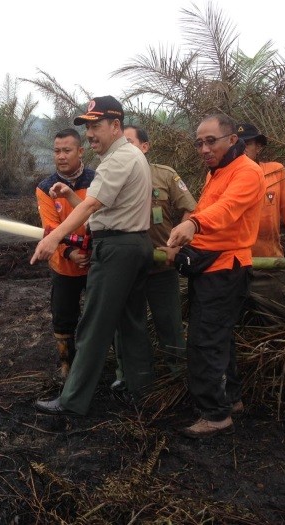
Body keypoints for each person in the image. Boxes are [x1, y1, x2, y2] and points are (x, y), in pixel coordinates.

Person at [30, 95, 153, 417]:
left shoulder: (117, 159)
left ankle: (72, 401)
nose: (91, 134)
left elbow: (91, 206)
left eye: (96, 126)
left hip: (117, 249)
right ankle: (139, 389)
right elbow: (101, 203)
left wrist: (54, 237)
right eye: (87, 127)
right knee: (130, 322)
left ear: (116, 125)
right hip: (135, 245)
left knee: (93, 326)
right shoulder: (128, 156)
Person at [166, 114, 265, 438]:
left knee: (204, 340)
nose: (204, 148)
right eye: (199, 143)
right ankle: (231, 399)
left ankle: (215, 414)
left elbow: (225, 210)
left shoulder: (247, 172)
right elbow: (204, 208)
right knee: (220, 336)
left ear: (232, 140)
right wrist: (180, 239)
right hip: (209, 265)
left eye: (211, 141)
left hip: (227, 268)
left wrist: (192, 225)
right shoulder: (218, 172)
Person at [112, 126, 197, 397]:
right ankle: (130, 378)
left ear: (145, 147)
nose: (123, 149)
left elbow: (192, 210)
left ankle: (178, 377)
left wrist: (175, 242)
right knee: (126, 328)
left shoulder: (165, 175)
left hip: (161, 267)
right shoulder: (111, 174)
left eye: (129, 142)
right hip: (126, 269)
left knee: (169, 323)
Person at [237, 122, 285, 322]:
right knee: (236, 324)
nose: (242, 149)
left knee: (280, 320)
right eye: (237, 144)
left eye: (247, 143)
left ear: (258, 147)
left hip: (268, 264)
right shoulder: (221, 176)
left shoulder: (275, 173)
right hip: (233, 266)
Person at [35, 128, 95, 378]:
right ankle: (66, 366)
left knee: (98, 314)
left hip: (95, 262)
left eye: (67, 150)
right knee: (63, 317)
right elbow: (50, 227)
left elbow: (101, 217)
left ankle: (103, 363)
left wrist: (91, 250)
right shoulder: (45, 187)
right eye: (57, 151)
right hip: (64, 264)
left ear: (80, 151)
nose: (61, 156)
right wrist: (70, 252)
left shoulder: (96, 181)